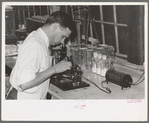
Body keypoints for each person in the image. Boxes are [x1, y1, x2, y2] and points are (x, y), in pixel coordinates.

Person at [9, 11, 76, 100]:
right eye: (63, 36)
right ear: (55, 27)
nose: (62, 41)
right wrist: (54, 69)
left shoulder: (38, 38)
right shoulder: (35, 44)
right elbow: (24, 84)